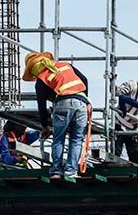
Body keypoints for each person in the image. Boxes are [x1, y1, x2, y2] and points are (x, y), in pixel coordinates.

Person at [22, 51, 92, 179]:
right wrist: (84, 99)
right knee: (76, 139)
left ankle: (56, 172)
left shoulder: (41, 79)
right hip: (82, 103)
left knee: (59, 138)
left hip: (63, 104)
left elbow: (41, 106)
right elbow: (85, 80)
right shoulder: (65, 65)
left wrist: (44, 127)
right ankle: (71, 171)